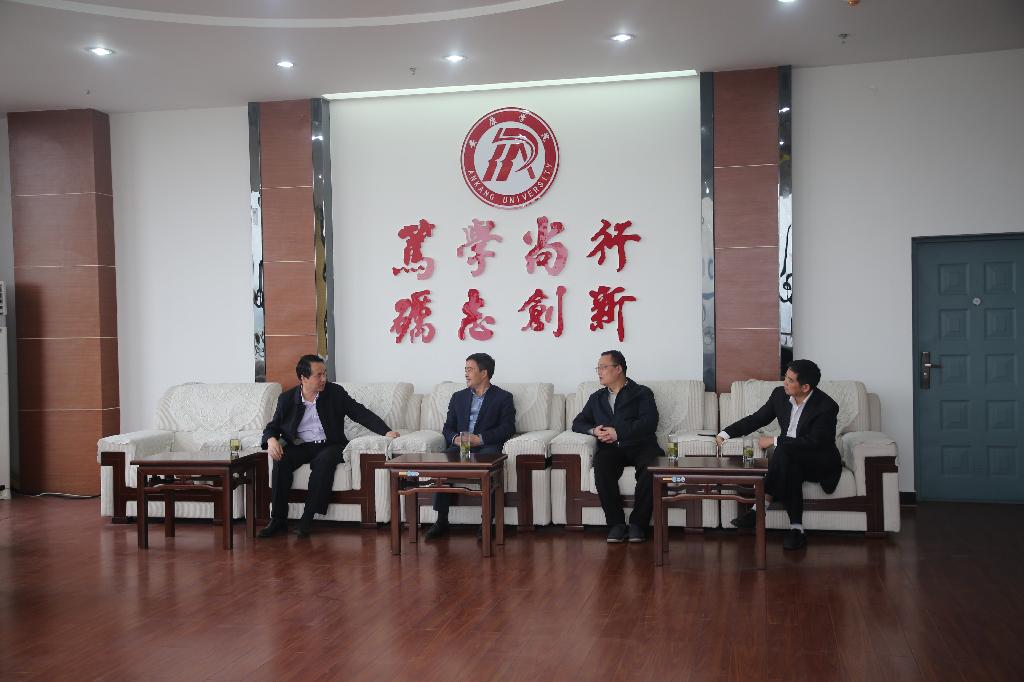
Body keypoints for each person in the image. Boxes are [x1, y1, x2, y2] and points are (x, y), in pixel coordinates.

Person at [258, 354, 399, 538]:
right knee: (281, 460)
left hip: (332, 445)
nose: (324, 378)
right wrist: (271, 440)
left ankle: (307, 518)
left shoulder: (335, 392)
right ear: (303, 378)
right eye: (319, 375)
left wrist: (386, 431)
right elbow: (272, 426)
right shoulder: (287, 399)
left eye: (324, 373)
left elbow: (359, 412)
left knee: (324, 461)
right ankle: (278, 519)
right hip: (302, 446)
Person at [716, 359, 842, 550]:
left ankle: (759, 508)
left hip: (818, 460)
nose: (785, 382)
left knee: (783, 450)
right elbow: (756, 419)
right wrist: (725, 434)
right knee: (789, 464)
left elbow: (814, 442)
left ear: (805, 387)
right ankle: (796, 530)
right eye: (785, 377)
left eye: (790, 380)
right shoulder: (779, 395)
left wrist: (774, 440)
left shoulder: (826, 406)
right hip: (791, 458)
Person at [572, 350, 662, 543]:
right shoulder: (596, 398)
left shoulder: (642, 393)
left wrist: (618, 432)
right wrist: (594, 431)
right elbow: (578, 423)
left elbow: (649, 422)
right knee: (602, 466)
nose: (599, 372)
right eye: (598, 368)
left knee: (651, 469)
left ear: (618, 369)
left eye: (603, 367)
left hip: (641, 446)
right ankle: (616, 525)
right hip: (611, 449)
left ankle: (638, 524)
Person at [425, 353, 516, 540]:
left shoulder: (503, 397)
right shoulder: (458, 397)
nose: (466, 373)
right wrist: (455, 438)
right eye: (465, 369)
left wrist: (480, 439)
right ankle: (441, 520)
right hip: (461, 446)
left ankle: (486, 522)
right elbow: (447, 428)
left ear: (484, 373)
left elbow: (508, 428)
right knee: (441, 465)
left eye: (470, 369)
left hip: (487, 446)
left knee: (488, 468)